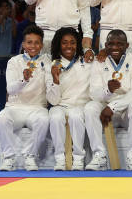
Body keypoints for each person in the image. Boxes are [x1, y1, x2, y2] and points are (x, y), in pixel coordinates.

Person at [84, 30, 132, 171]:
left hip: (125, 110)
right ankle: (99, 155)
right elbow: (94, 93)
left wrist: (113, 107)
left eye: (120, 44)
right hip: (104, 110)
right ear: (105, 45)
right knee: (90, 107)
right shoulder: (99, 62)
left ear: (127, 45)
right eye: (111, 44)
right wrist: (108, 91)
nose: (115, 47)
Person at [0, 25, 50, 171]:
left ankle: (30, 156)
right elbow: (10, 89)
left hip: (37, 108)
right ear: (24, 44)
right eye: (29, 42)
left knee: (44, 119)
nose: (33, 46)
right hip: (15, 107)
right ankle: (9, 158)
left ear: (42, 44)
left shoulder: (48, 61)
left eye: (37, 42)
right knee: (1, 117)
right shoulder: (14, 61)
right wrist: (24, 80)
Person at [46, 27, 91, 171]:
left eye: (72, 42)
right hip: (60, 105)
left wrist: (97, 52)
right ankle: (60, 158)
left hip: (81, 105)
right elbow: (52, 101)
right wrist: (55, 79)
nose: (69, 46)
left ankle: (78, 158)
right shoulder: (53, 65)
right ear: (59, 44)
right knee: (55, 116)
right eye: (64, 43)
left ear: (78, 44)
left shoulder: (87, 61)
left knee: (76, 116)